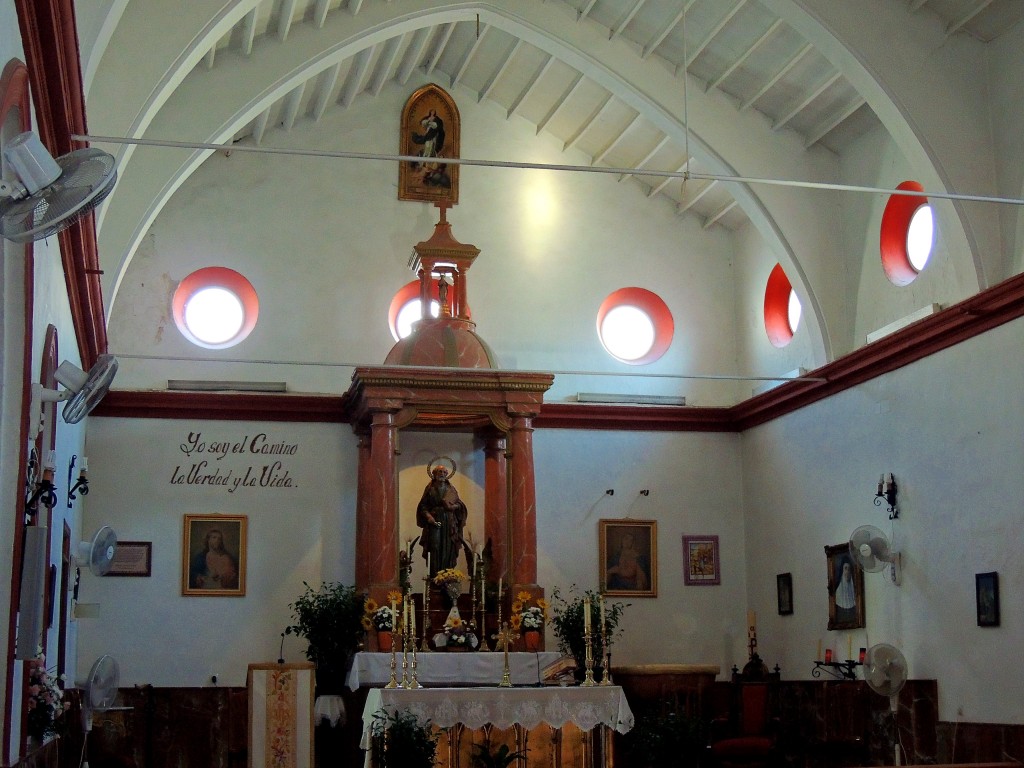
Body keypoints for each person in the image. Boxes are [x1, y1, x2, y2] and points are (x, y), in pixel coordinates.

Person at [417, 462, 470, 578]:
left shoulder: (451, 489)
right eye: (439, 472)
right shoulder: (430, 489)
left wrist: (453, 507)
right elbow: (423, 506)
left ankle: (447, 576)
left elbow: (460, 504)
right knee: (434, 546)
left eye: (444, 472)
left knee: (448, 547)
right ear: (434, 474)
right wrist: (429, 517)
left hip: (449, 522)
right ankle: (434, 576)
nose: (442, 474)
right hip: (434, 521)